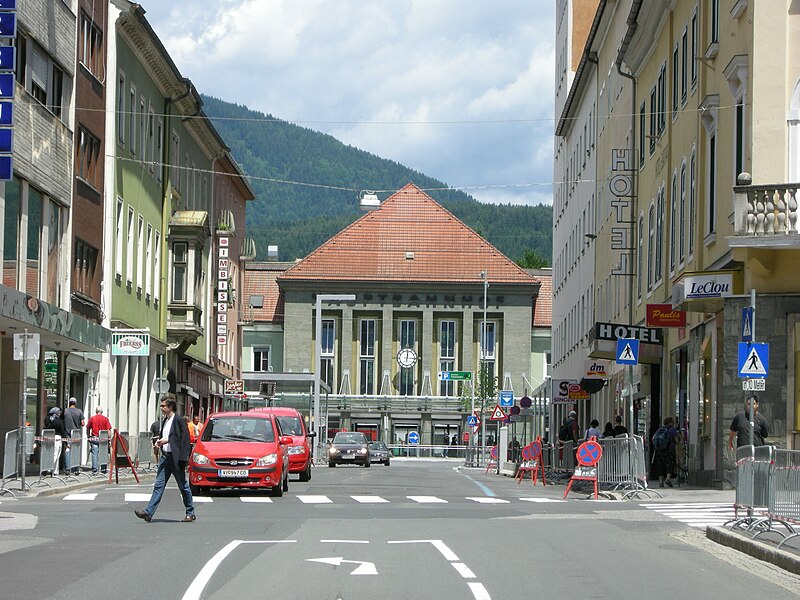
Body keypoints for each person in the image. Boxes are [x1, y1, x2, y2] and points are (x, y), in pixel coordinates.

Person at [135, 399, 196, 523]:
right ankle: (148, 512)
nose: (161, 408)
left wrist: (183, 459)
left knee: (183, 486)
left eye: (163, 406)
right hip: (165, 458)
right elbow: (168, 437)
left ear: (171, 406)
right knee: (158, 485)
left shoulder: (179, 420)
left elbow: (183, 439)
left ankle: (190, 512)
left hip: (176, 459)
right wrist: (160, 442)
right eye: (161, 405)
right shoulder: (165, 421)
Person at [651, 416, 679, 488]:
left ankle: (661, 481)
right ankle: (667, 479)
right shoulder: (672, 430)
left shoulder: (660, 429)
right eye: (672, 422)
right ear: (670, 422)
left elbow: (654, 438)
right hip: (669, 450)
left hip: (660, 450)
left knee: (660, 465)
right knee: (670, 464)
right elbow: (676, 441)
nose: (673, 423)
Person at [85, 406, 112, 475]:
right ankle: (103, 468)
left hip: (94, 437)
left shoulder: (92, 418)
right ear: (102, 412)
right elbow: (108, 430)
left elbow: (88, 428)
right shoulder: (105, 419)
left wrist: (88, 437)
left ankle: (94, 469)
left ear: (96, 411)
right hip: (103, 438)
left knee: (94, 453)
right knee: (103, 453)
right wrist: (109, 439)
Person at [62, 397, 86, 474]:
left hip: (67, 432)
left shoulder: (65, 411)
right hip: (76, 433)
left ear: (69, 403)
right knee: (76, 450)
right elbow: (83, 423)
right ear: (75, 403)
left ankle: (68, 468)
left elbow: (62, 420)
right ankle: (76, 468)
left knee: (68, 449)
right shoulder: (79, 411)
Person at [44, 407, 65, 475]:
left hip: (48, 437)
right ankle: (51, 469)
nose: (60, 413)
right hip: (57, 438)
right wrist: (66, 442)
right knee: (56, 454)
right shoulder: (59, 421)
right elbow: (62, 431)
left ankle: (54, 470)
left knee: (50, 454)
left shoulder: (47, 419)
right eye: (58, 412)